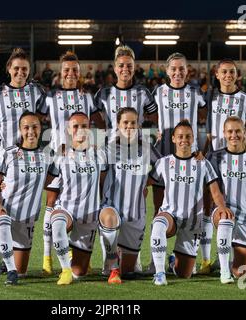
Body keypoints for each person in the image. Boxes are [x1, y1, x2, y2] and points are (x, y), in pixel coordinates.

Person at [38, 51, 104, 276]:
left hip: (82, 158)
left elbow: (98, 122)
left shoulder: (87, 97)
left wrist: (96, 144)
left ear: (80, 73)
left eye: (75, 70)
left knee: (80, 203)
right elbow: (35, 121)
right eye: (67, 70)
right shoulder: (50, 97)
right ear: (60, 72)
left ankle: (76, 252)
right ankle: (47, 257)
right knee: (52, 203)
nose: (71, 73)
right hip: (57, 156)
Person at [94, 45, 157, 274]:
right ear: (114, 67)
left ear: (134, 67)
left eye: (129, 65)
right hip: (113, 154)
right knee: (112, 199)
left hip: (136, 153)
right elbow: (97, 121)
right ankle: (108, 259)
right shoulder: (103, 93)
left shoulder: (143, 93)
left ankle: (134, 256)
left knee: (133, 201)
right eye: (121, 65)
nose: (125, 69)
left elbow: (154, 115)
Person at [0, 48, 46, 276]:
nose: (20, 72)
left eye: (25, 69)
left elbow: (44, 118)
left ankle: (15, 253)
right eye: (16, 68)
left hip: (28, 159)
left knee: (21, 207)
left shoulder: (36, 92)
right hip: (3, 158)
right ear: (9, 68)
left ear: (29, 71)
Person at [148, 120, 231, 285]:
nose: (183, 140)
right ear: (173, 139)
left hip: (192, 223)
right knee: (158, 224)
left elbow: (215, 191)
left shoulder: (202, 163)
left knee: (184, 274)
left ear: (193, 139)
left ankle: (173, 263)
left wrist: (222, 207)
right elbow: (147, 182)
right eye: (180, 136)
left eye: (187, 136)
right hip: (170, 215)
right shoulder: (163, 163)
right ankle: (159, 273)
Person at [149, 52, 207, 273]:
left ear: (187, 70)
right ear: (167, 71)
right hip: (164, 157)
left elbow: (206, 113)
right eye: (173, 68)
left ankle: (191, 256)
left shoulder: (195, 93)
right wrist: (159, 132)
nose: (177, 72)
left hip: (189, 157)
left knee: (192, 207)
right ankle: (156, 261)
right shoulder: (158, 93)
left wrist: (202, 145)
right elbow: (151, 114)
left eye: (181, 68)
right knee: (159, 209)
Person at [200, 58, 246, 274]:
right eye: (224, 72)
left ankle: (226, 256)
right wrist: (204, 153)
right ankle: (206, 260)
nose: (228, 76)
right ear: (216, 74)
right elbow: (209, 131)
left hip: (238, 160)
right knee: (208, 206)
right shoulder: (210, 97)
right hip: (215, 160)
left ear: (237, 75)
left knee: (233, 205)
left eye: (231, 72)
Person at [0, 112, 51, 285]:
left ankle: (10, 261)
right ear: (20, 130)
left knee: (24, 271)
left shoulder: (47, 156)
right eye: (26, 127)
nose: (31, 131)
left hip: (26, 219)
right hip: (4, 209)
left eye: (35, 127)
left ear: (40, 128)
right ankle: (10, 269)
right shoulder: (8, 153)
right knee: (2, 220)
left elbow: (52, 182)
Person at [100, 108, 161, 284]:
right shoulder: (109, 149)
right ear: (118, 125)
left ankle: (119, 264)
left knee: (129, 272)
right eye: (125, 123)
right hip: (112, 209)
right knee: (109, 218)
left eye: (133, 123)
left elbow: (164, 168)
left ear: (138, 125)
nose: (129, 126)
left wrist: (144, 183)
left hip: (136, 214)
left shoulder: (146, 148)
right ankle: (112, 266)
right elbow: (100, 177)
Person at [49, 112, 108, 285]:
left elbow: (104, 184)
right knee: (58, 223)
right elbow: (46, 183)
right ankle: (65, 270)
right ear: (68, 130)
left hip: (89, 215)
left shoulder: (99, 155)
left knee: (80, 272)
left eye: (84, 126)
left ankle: (73, 256)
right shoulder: (60, 154)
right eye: (76, 126)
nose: (80, 130)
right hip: (66, 209)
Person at [207, 116, 246, 282]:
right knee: (226, 219)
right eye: (230, 131)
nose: (234, 135)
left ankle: (224, 258)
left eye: (238, 131)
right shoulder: (215, 157)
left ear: (245, 133)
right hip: (222, 213)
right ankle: (224, 272)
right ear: (224, 134)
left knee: (242, 273)